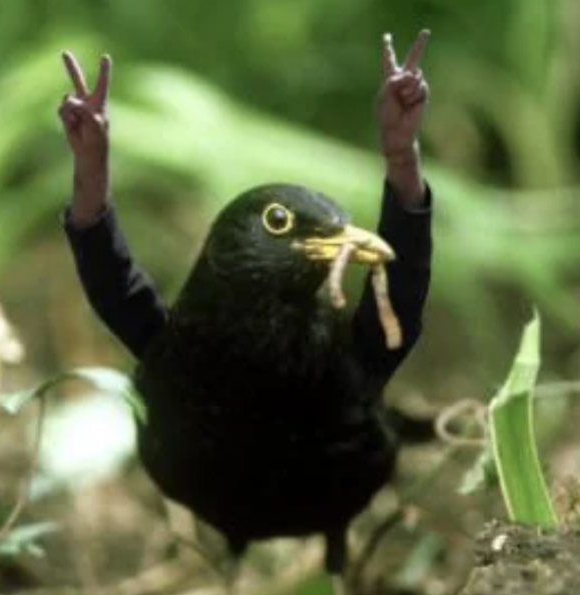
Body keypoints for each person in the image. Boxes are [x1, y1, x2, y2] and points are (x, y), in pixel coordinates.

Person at [57, 31, 432, 368]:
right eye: (278, 223)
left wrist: (403, 156)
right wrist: (91, 168)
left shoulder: (340, 369)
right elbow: (114, 287)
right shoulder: (185, 364)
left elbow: (401, 295)